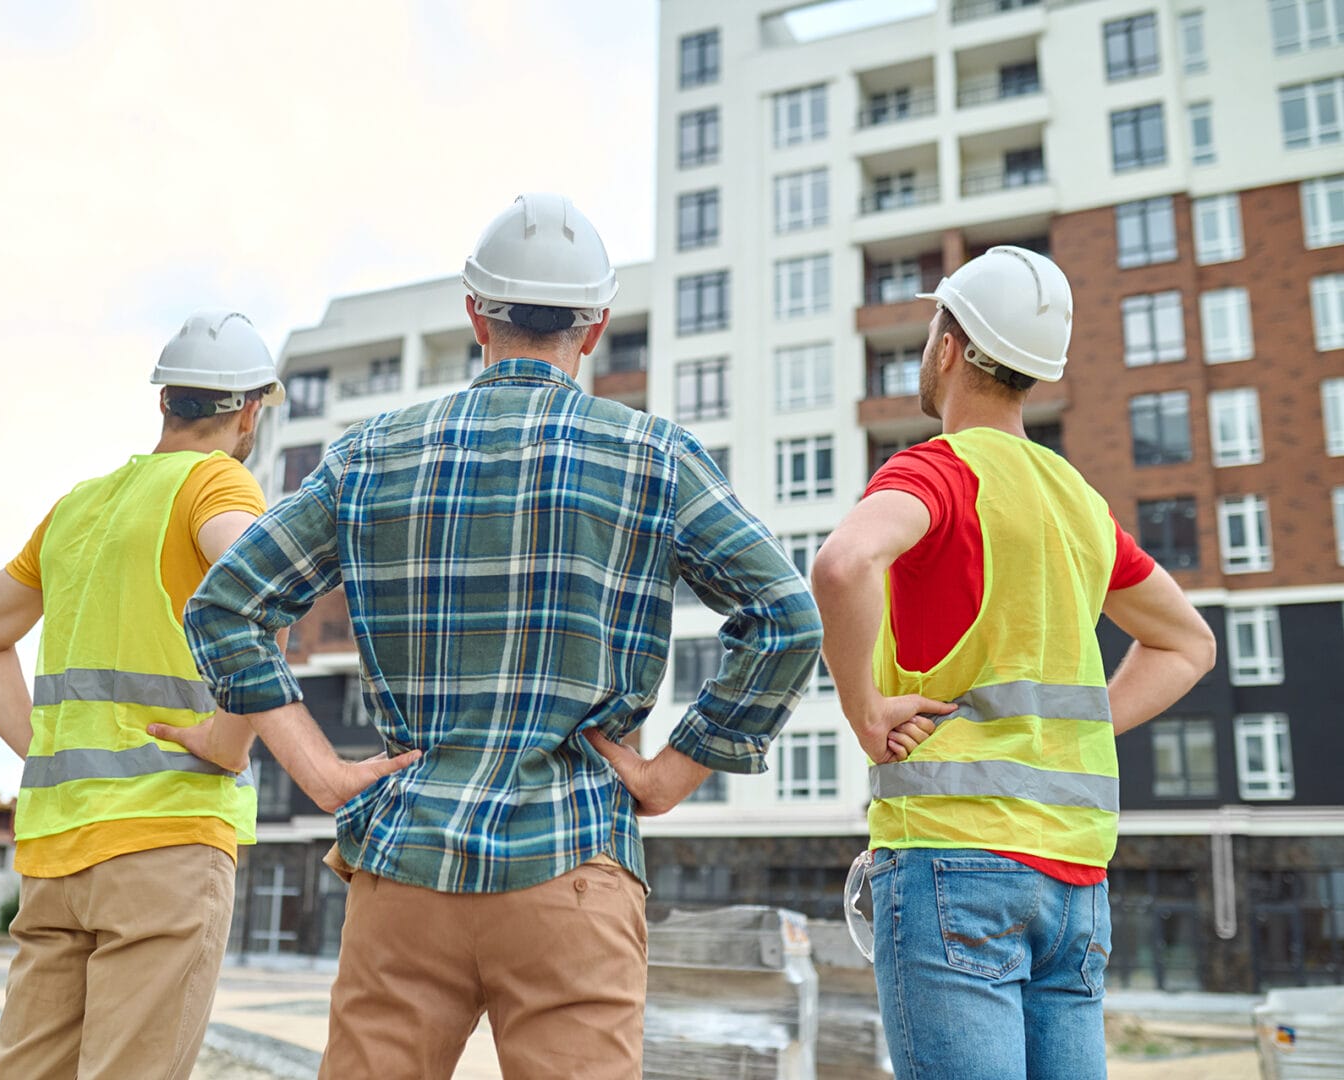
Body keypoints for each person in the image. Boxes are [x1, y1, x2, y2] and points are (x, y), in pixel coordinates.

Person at [162, 194, 824, 1080]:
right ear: (593, 330)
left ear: (475, 314)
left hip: (404, 866)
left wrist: (318, 771)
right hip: (574, 863)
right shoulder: (654, 457)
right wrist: (674, 772)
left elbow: (224, 605)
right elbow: (785, 616)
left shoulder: (372, 453)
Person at [811, 246, 1218, 1080]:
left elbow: (842, 565)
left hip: (951, 863)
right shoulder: (1078, 503)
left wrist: (863, 709)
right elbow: (1189, 644)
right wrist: (1079, 721)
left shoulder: (939, 470)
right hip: (1075, 885)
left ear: (950, 345)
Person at [0, 310, 287, 1079]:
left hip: (56, 854)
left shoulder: (77, 508)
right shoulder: (216, 480)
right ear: (249, 410)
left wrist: (46, 752)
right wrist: (232, 741)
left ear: (164, 401)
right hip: (164, 840)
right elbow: (263, 585)